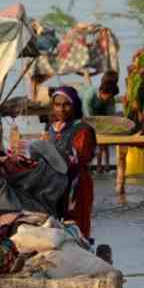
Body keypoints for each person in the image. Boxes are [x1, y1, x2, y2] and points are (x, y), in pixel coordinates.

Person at [42, 86, 97, 238]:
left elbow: (78, 157)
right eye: (57, 105)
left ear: (75, 106)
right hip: (54, 183)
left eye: (67, 104)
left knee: (77, 224)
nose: (62, 109)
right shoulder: (51, 128)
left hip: (77, 184)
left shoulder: (83, 129)